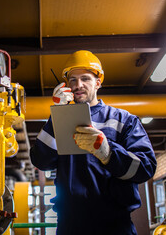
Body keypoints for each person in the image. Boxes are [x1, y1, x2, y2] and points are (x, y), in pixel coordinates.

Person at [30, 50, 157, 235]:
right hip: (70, 226)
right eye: (72, 79)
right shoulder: (59, 120)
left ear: (98, 83)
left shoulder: (123, 120)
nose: (78, 85)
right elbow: (40, 160)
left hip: (115, 226)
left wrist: (108, 152)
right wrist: (57, 114)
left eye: (85, 79)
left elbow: (146, 168)